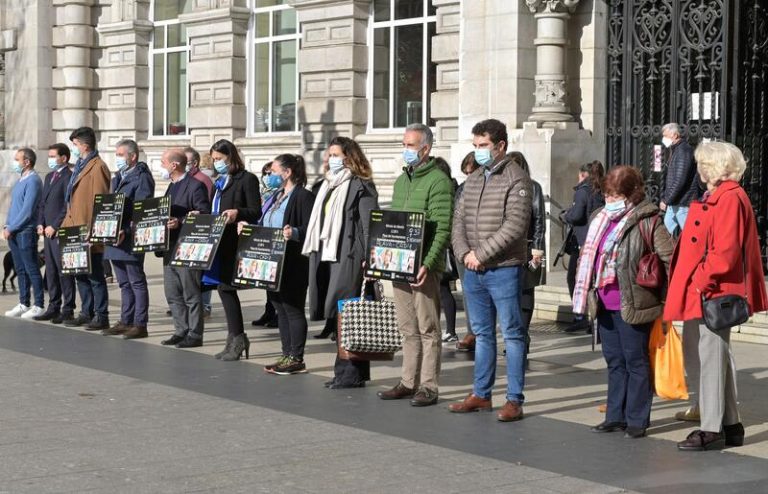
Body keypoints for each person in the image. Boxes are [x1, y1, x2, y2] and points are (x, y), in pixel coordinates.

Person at [665, 142, 768, 451]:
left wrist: (697, 282)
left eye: (702, 164)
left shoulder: (729, 198)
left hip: (712, 292)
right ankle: (731, 425)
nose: (699, 169)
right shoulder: (722, 196)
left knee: (709, 359)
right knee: (714, 358)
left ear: (715, 166)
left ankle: (711, 429)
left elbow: (724, 253)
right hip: (709, 291)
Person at [571, 166, 673, 439]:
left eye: (615, 195)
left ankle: (637, 418)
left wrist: (666, 299)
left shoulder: (649, 220)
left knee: (635, 361)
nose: (610, 200)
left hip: (635, 303)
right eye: (607, 194)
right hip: (603, 301)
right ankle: (615, 415)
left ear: (631, 194)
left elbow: (670, 258)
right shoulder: (599, 218)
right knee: (614, 360)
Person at [448, 119, 531, 422]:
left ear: (500, 146)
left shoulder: (516, 179)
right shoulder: (474, 179)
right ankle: (481, 394)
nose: (479, 152)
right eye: (476, 146)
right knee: (482, 334)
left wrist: (480, 254)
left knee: (512, 334)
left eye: (483, 146)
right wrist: (464, 253)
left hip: (503, 269)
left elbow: (514, 226)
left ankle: (514, 400)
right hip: (473, 269)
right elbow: (459, 220)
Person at [376, 124, 453, 407]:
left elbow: (443, 228)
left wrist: (429, 263)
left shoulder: (438, 181)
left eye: (411, 145)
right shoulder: (401, 181)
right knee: (407, 327)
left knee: (428, 328)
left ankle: (428, 386)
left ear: (426, 148)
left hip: (424, 267)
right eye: (404, 144)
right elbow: (392, 225)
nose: (406, 150)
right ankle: (408, 381)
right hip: (399, 264)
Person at [303, 136, 379, 389]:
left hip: (350, 255)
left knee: (349, 313)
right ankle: (343, 371)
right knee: (340, 313)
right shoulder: (327, 185)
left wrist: (370, 257)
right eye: (329, 155)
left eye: (335, 154)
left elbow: (369, 225)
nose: (329, 159)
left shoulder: (361, 186)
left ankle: (351, 374)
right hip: (327, 252)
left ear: (349, 157)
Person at [249, 154, 315, 375]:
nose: (270, 175)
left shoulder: (303, 197)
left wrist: (294, 232)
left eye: (274, 171)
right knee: (279, 307)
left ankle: (296, 357)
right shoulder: (276, 195)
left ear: (287, 173)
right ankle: (286, 353)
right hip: (271, 260)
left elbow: (311, 228)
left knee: (292, 308)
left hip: (293, 261)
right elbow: (264, 221)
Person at [206, 139, 262, 361]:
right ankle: (234, 338)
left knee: (228, 288)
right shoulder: (218, 182)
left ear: (230, 157)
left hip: (234, 242)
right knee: (223, 289)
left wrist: (237, 213)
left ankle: (238, 339)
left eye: (219, 159)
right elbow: (214, 209)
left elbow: (255, 210)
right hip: (218, 242)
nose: (216, 162)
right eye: (214, 159)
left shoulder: (246, 179)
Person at [102, 139, 155, 339]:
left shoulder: (142, 177)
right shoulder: (118, 177)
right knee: (123, 282)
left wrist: (125, 228)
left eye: (120, 154)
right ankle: (126, 320)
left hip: (130, 236)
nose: (118, 158)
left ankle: (140, 324)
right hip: (114, 236)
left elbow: (141, 209)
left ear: (132, 156)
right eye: (116, 154)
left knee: (136, 280)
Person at [159, 149, 211, 349]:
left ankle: (195, 333)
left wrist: (180, 221)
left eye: (164, 162)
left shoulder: (195, 185)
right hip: (169, 247)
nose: (162, 166)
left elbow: (203, 214)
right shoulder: (171, 186)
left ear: (174, 165)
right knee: (172, 293)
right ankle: (180, 330)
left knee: (190, 293)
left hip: (187, 247)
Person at [60, 127, 112, 330]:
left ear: (84, 145)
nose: (74, 148)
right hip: (74, 228)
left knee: (95, 275)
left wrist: (94, 231)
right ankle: (86, 312)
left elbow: (99, 201)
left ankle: (101, 314)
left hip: (88, 229)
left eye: (75, 144)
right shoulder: (80, 165)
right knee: (79, 273)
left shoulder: (97, 166)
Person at [507, 151, 546, 366]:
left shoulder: (533, 187)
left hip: (528, 247)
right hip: (507, 249)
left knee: (525, 293)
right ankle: (516, 337)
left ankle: (522, 337)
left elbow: (539, 219)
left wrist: (538, 249)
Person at [33, 144, 76, 324]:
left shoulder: (69, 176)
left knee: (63, 271)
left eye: (53, 156)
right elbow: (43, 203)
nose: (50, 159)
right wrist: (40, 224)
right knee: (50, 271)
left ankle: (68, 308)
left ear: (64, 158)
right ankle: (53, 306)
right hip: (47, 232)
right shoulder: (49, 176)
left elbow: (67, 206)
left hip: (59, 231)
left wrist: (55, 226)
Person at [562, 160, 605, 333]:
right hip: (597, 240)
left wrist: (566, 216)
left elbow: (578, 214)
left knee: (575, 279)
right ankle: (594, 319)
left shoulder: (582, 192)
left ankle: (580, 316)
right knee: (593, 281)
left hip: (583, 242)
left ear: (582, 175)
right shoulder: (601, 189)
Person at [3, 148, 44, 319]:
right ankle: (24, 302)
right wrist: (7, 225)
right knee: (20, 269)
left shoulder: (33, 181)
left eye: (17, 159)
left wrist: (11, 228)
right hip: (13, 231)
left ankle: (39, 304)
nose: (14, 162)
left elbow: (27, 211)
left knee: (31, 268)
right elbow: (14, 207)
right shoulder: (21, 180)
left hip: (25, 231)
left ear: (27, 162)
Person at [184, 146, 215, 319]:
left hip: (200, 230)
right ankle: (191, 304)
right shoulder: (184, 179)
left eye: (186, 162)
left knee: (201, 272)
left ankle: (205, 305)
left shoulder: (203, 180)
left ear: (194, 163)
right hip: (186, 230)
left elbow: (207, 206)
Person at [431, 157, 460, 344]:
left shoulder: (448, 190)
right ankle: (449, 330)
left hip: (445, 247)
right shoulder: (453, 188)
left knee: (442, 289)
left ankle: (450, 330)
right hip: (447, 246)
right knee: (442, 290)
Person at [251, 161, 281, 329]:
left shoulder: (279, 193)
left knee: (275, 283)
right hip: (264, 238)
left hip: (275, 240)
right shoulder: (264, 193)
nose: (268, 177)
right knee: (266, 281)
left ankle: (276, 314)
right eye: (266, 173)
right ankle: (269, 311)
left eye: (271, 173)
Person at [455, 152, 479, 352]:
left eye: (472, 172)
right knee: (468, 291)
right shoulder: (462, 189)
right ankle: (472, 331)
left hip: (483, 248)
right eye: (466, 173)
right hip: (463, 249)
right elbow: (456, 220)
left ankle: (480, 331)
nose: (469, 176)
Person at [660, 123, 700, 236]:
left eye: (666, 135)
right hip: (676, 202)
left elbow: (679, 180)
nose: (664, 139)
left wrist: (666, 200)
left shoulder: (683, 151)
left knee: (690, 235)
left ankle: (694, 253)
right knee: (664, 234)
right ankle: (665, 253)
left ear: (674, 135)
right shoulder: (676, 150)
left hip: (683, 202)